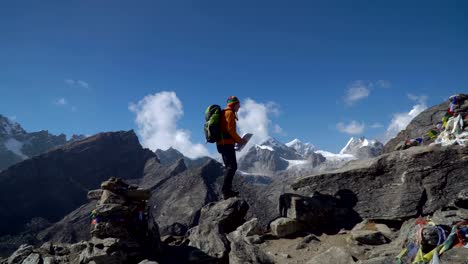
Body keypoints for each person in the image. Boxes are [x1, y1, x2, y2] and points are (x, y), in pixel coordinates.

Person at [217, 96, 248, 199]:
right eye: (238, 105)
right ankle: (226, 191)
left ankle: (227, 191)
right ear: (234, 104)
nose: (239, 107)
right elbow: (231, 130)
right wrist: (240, 141)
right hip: (226, 144)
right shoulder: (229, 113)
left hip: (221, 144)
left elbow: (226, 130)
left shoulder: (223, 113)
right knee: (232, 167)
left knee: (229, 167)